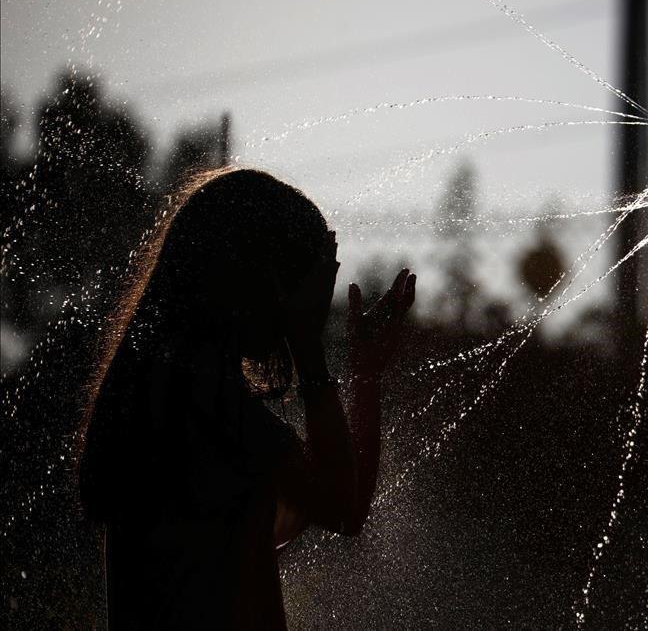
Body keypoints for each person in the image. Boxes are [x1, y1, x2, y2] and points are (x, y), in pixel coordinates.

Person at [76, 168, 417, 629]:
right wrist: (310, 348)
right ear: (256, 279)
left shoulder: (165, 388)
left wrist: (366, 373)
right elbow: (341, 506)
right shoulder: (205, 404)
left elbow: (344, 504)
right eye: (303, 280)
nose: (312, 298)